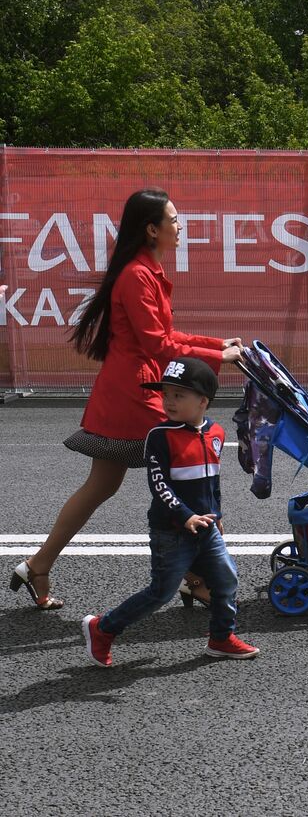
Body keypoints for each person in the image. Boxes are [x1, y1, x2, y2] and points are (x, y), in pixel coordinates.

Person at [10, 189, 243, 610]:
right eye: (173, 219)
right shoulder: (137, 276)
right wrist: (214, 356)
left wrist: (214, 345)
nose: (180, 226)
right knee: (187, 471)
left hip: (127, 389)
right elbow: (158, 344)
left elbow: (165, 337)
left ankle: (38, 565)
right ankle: (199, 576)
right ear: (152, 229)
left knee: (102, 484)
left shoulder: (145, 271)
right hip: (138, 393)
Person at [81, 357, 259, 665]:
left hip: (206, 527)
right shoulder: (160, 436)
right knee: (161, 593)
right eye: (166, 394)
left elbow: (213, 483)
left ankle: (220, 638)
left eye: (179, 395)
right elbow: (159, 485)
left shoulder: (216, 433)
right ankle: (102, 628)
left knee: (227, 579)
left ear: (203, 401)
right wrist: (185, 515)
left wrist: (218, 517)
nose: (169, 401)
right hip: (172, 531)